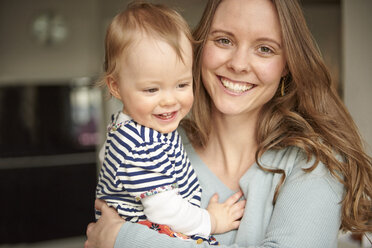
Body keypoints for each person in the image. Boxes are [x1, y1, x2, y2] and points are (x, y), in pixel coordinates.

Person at [86, 0, 372, 247]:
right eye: (224, 40)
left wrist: (122, 240)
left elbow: (117, 235)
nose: (238, 64)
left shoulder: (314, 162)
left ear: (287, 64)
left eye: (264, 48)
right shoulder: (161, 145)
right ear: (200, 48)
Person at [94, 1, 245, 246]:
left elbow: (107, 157)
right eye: (152, 89)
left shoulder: (130, 128)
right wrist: (211, 221)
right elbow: (165, 213)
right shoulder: (142, 144)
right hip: (148, 232)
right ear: (116, 87)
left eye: (182, 85)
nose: (169, 100)